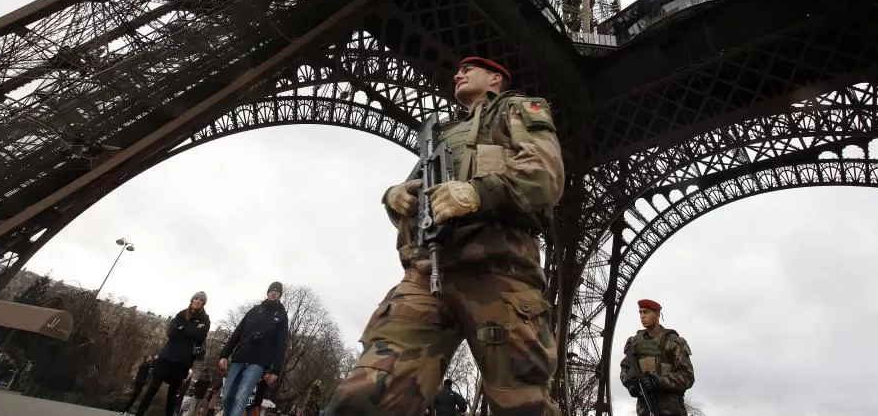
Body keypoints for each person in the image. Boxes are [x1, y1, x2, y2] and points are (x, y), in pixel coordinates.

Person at [325, 56, 565, 415]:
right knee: (366, 395)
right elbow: (415, 193)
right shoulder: (442, 135)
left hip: (499, 273)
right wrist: (394, 197)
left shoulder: (515, 110)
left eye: (470, 69)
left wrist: (477, 193)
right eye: (457, 70)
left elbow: (545, 177)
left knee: (521, 404)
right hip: (427, 273)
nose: (458, 73)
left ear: (496, 78)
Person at [218, 281, 289, 416]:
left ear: (280, 295)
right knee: (227, 396)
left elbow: (281, 344)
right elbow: (237, 332)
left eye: (277, 291)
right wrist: (224, 355)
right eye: (271, 290)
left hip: (258, 362)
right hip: (240, 357)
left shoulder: (281, 315)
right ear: (268, 292)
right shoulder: (255, 310)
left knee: (241, 397)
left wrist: (275, 370)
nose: (274, 292)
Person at [134, 291, 210, 416]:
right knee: (152, 389)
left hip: (183, 361)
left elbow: (201, 335)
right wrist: (191, 330)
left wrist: (183, 328)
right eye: (196, 298)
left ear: (203, 303)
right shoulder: (181, 314)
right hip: (167, 356)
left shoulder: (205, 319)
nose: (198, 301)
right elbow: (171, 332)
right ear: (192, 300)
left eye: (201, 300)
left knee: (173, 393)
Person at [619, 299, 694, 416]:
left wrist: (657, 381)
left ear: (657, 314)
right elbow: (624, 368)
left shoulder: (673, 342)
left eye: (647, 312)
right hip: (645, 410)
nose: (642, 316)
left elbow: (688, 377)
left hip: (671, 410)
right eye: (640, 313)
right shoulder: (635, 343)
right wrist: (631, 384)